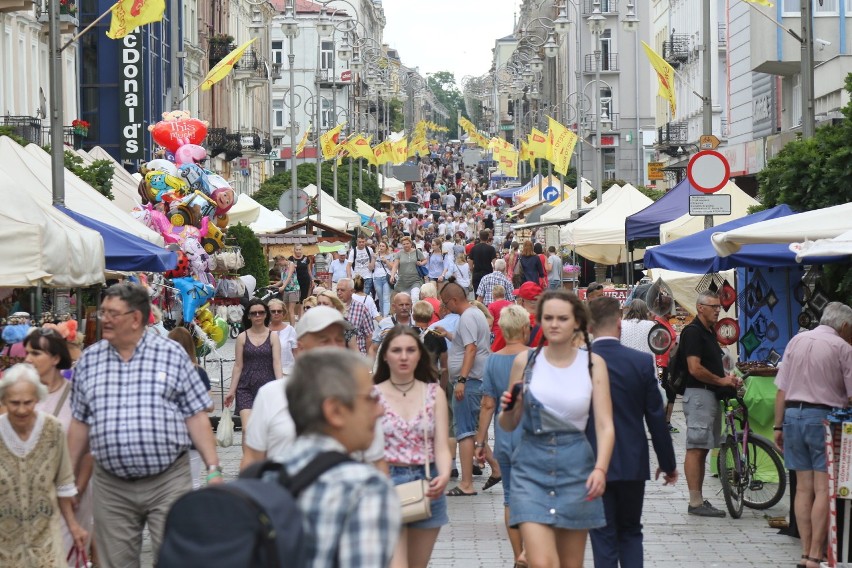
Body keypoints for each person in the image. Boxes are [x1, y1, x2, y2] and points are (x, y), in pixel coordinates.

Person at [67, 283, 220, 566]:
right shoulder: (90, 360)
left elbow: (196, 414)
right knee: (116, 562)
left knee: (175, 557)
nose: (104, 319)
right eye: (103, 313)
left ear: (136, 318)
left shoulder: (171, 355)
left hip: (168, 479)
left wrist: (212, 468)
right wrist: (67, 477)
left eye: (112, 313)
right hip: (111, 485)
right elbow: (79, 423)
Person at [498, 290, 614, 568]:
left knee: (570, 564)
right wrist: (511, 409)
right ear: (538, 321)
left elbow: (604, 424)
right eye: (548, 318)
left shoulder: (592, 364)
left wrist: (600, 469)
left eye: (562, 318)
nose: (554, 324)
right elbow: (507, 424)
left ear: (577, 322)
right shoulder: (525, 363)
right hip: (530, 468)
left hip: (576, 468)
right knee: (542, 563)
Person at [279, 349, 400, 568]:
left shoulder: (268, 473)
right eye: (371, 398)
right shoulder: (365, 488)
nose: (380, 410)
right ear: (335, 411)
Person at [587, 297, 678, 568]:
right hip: (631, 460)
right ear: (619, 324)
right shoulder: (640, 362)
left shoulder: (581, 362)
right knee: (630, 531)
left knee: (602, 534)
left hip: (592, 462)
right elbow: (656, 418)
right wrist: (668, 463)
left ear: (590, 327)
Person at [774, 302, 852, 568]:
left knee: (802, 489)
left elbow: (781, 390)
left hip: (792, 417)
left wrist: (777, 426)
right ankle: (816, 556)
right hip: (823, 420)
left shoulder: (796, 341)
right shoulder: (843, 348)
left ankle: (805, 552)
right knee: (822, 490)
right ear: (843, 326)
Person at [374, 326, 452, 568]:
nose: (404, 356)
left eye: (410, 350)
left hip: (426, 480)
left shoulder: (433, 393)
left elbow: (441, 444)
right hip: (387, 479)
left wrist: (446, 474)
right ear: (385, 355)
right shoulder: (372, 395)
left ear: (420, 355)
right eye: (397, 350)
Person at [0, 364, 89, 567]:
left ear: (38, 399)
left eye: (28, 402)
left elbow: (64, 484)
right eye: (14, 403)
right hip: (4, 543)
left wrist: (73, 527)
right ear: (3, 399)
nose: (21, 409)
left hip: (46, 537)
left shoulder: (52, 429)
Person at [24, 329, 94, 564]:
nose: (27, 359)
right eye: (27, 353)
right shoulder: (20, 396)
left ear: (55, 358)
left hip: (69, 495)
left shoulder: (77, 396)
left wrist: (77, 489)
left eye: (35, 353)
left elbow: (89, 452)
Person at [474, 305, 528, 567]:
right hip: (533, 437)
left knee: (510, 498)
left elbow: (488, 405)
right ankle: (533, 547)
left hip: (506, 438)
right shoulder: (536, 357)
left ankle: (518, 554)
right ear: (526, 328)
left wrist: (480, 442)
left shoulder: (493, 360)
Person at [679, 291, 741, 518]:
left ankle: (699, 499)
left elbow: (717, 364)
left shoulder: (707, 333)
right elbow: (694, 368)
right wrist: (720, 380)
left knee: (702, 447)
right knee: (696, 447)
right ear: (700, 308)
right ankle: (695, 502)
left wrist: (729, 378)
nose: (717, 309)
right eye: (713, 306)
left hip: (708, 395)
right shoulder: (693, 333)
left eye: (719, 306)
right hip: (699, 395)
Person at [438, 281, 493, 497]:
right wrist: (450, 336)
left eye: (445, 303)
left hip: (469, 381)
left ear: (453, 300)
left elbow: (471, 349)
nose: (445, 307)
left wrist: (461, 379)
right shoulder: (474, 314)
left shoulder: (468, 316)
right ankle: (495, 469)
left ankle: (467, 483)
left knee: (465, 432)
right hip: (473, 380)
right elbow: (467, 343)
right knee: (471, 430)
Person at [225, 299, 283, 435]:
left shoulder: (273, 336)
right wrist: (231, 391)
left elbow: (277, 362)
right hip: (246, 387)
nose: (258, 316)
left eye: (261, 313)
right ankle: (248, 457)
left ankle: (261, 456)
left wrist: (280, 386)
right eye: (254, 313)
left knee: (265, 429)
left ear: (265, 315)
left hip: (267, 387)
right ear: (249, 316)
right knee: (247, 428)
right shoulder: (242, 337)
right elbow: (238, 365)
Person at [167, 327, 215, 490]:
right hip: (193, 434)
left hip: (168, 434)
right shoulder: (198, 371)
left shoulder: (163, 372)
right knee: (194, 480)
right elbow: (209, 405)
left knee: (169, 483)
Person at [491, 282, 545, 352]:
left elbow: (495, 350)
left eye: (517, 297)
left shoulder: (511, 322)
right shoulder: (548, 324)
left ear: (521, 301)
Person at [336, 278, 376, 355]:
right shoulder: (333, 308)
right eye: (337, 290)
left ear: (352, 291)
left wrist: (368, 360)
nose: (339, 293)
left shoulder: (361, 308)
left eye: (342, 290)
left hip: (357, 356)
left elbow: (369, 336)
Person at [370, 292, 414, 360]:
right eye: (401, 305)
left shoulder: (417, 323)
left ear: (411, 306)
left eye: (407, 304)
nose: (404, 308)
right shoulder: (384, 324)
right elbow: (373, 349)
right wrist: (370, 369)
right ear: (394, 307)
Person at [267, 298, 297, 375]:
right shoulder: (264, 330)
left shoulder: (290, 330)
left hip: (287, 372)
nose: (276, 313)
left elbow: (296, 353)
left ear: (283, 313)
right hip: (267, 372)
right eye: (273, 311)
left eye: (279, 311)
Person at [273, 256, 301, 325]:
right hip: (286, 290)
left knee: (291, 310)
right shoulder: (283, 268)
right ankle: (283, 325)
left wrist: (283, 287)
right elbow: (282, 280)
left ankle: (292, 328)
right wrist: (273, 286)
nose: (279, 265)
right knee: (285, 309)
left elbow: (289, 276)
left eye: (279, 263)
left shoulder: (291, 264)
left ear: (282, 259)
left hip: (293, 289)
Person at [289, 244, 313, 319]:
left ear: (302, 250)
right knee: (295, 300)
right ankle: (295, 316)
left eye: (300, 249)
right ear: (294, 250)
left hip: (305, 281)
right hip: (295, 282)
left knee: (303, 300)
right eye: (297, 249)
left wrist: (312, 280)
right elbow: (289, 271)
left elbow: (309, 270)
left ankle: (301, 318)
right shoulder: (291, 259)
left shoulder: (306, 258)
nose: (298, 251)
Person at [373, 241, 396, 316]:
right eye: (380, 246)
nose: (381, 247)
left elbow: (392, 267)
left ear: (386, 247)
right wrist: (374, 258)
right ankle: (382, 314)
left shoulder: (390, 256)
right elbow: (371, 267)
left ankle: (385, 316)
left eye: (383, 246)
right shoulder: (375, 255)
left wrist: (386, 261)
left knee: (386, 298)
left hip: (386, 278)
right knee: (380, 298)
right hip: (377, 278)